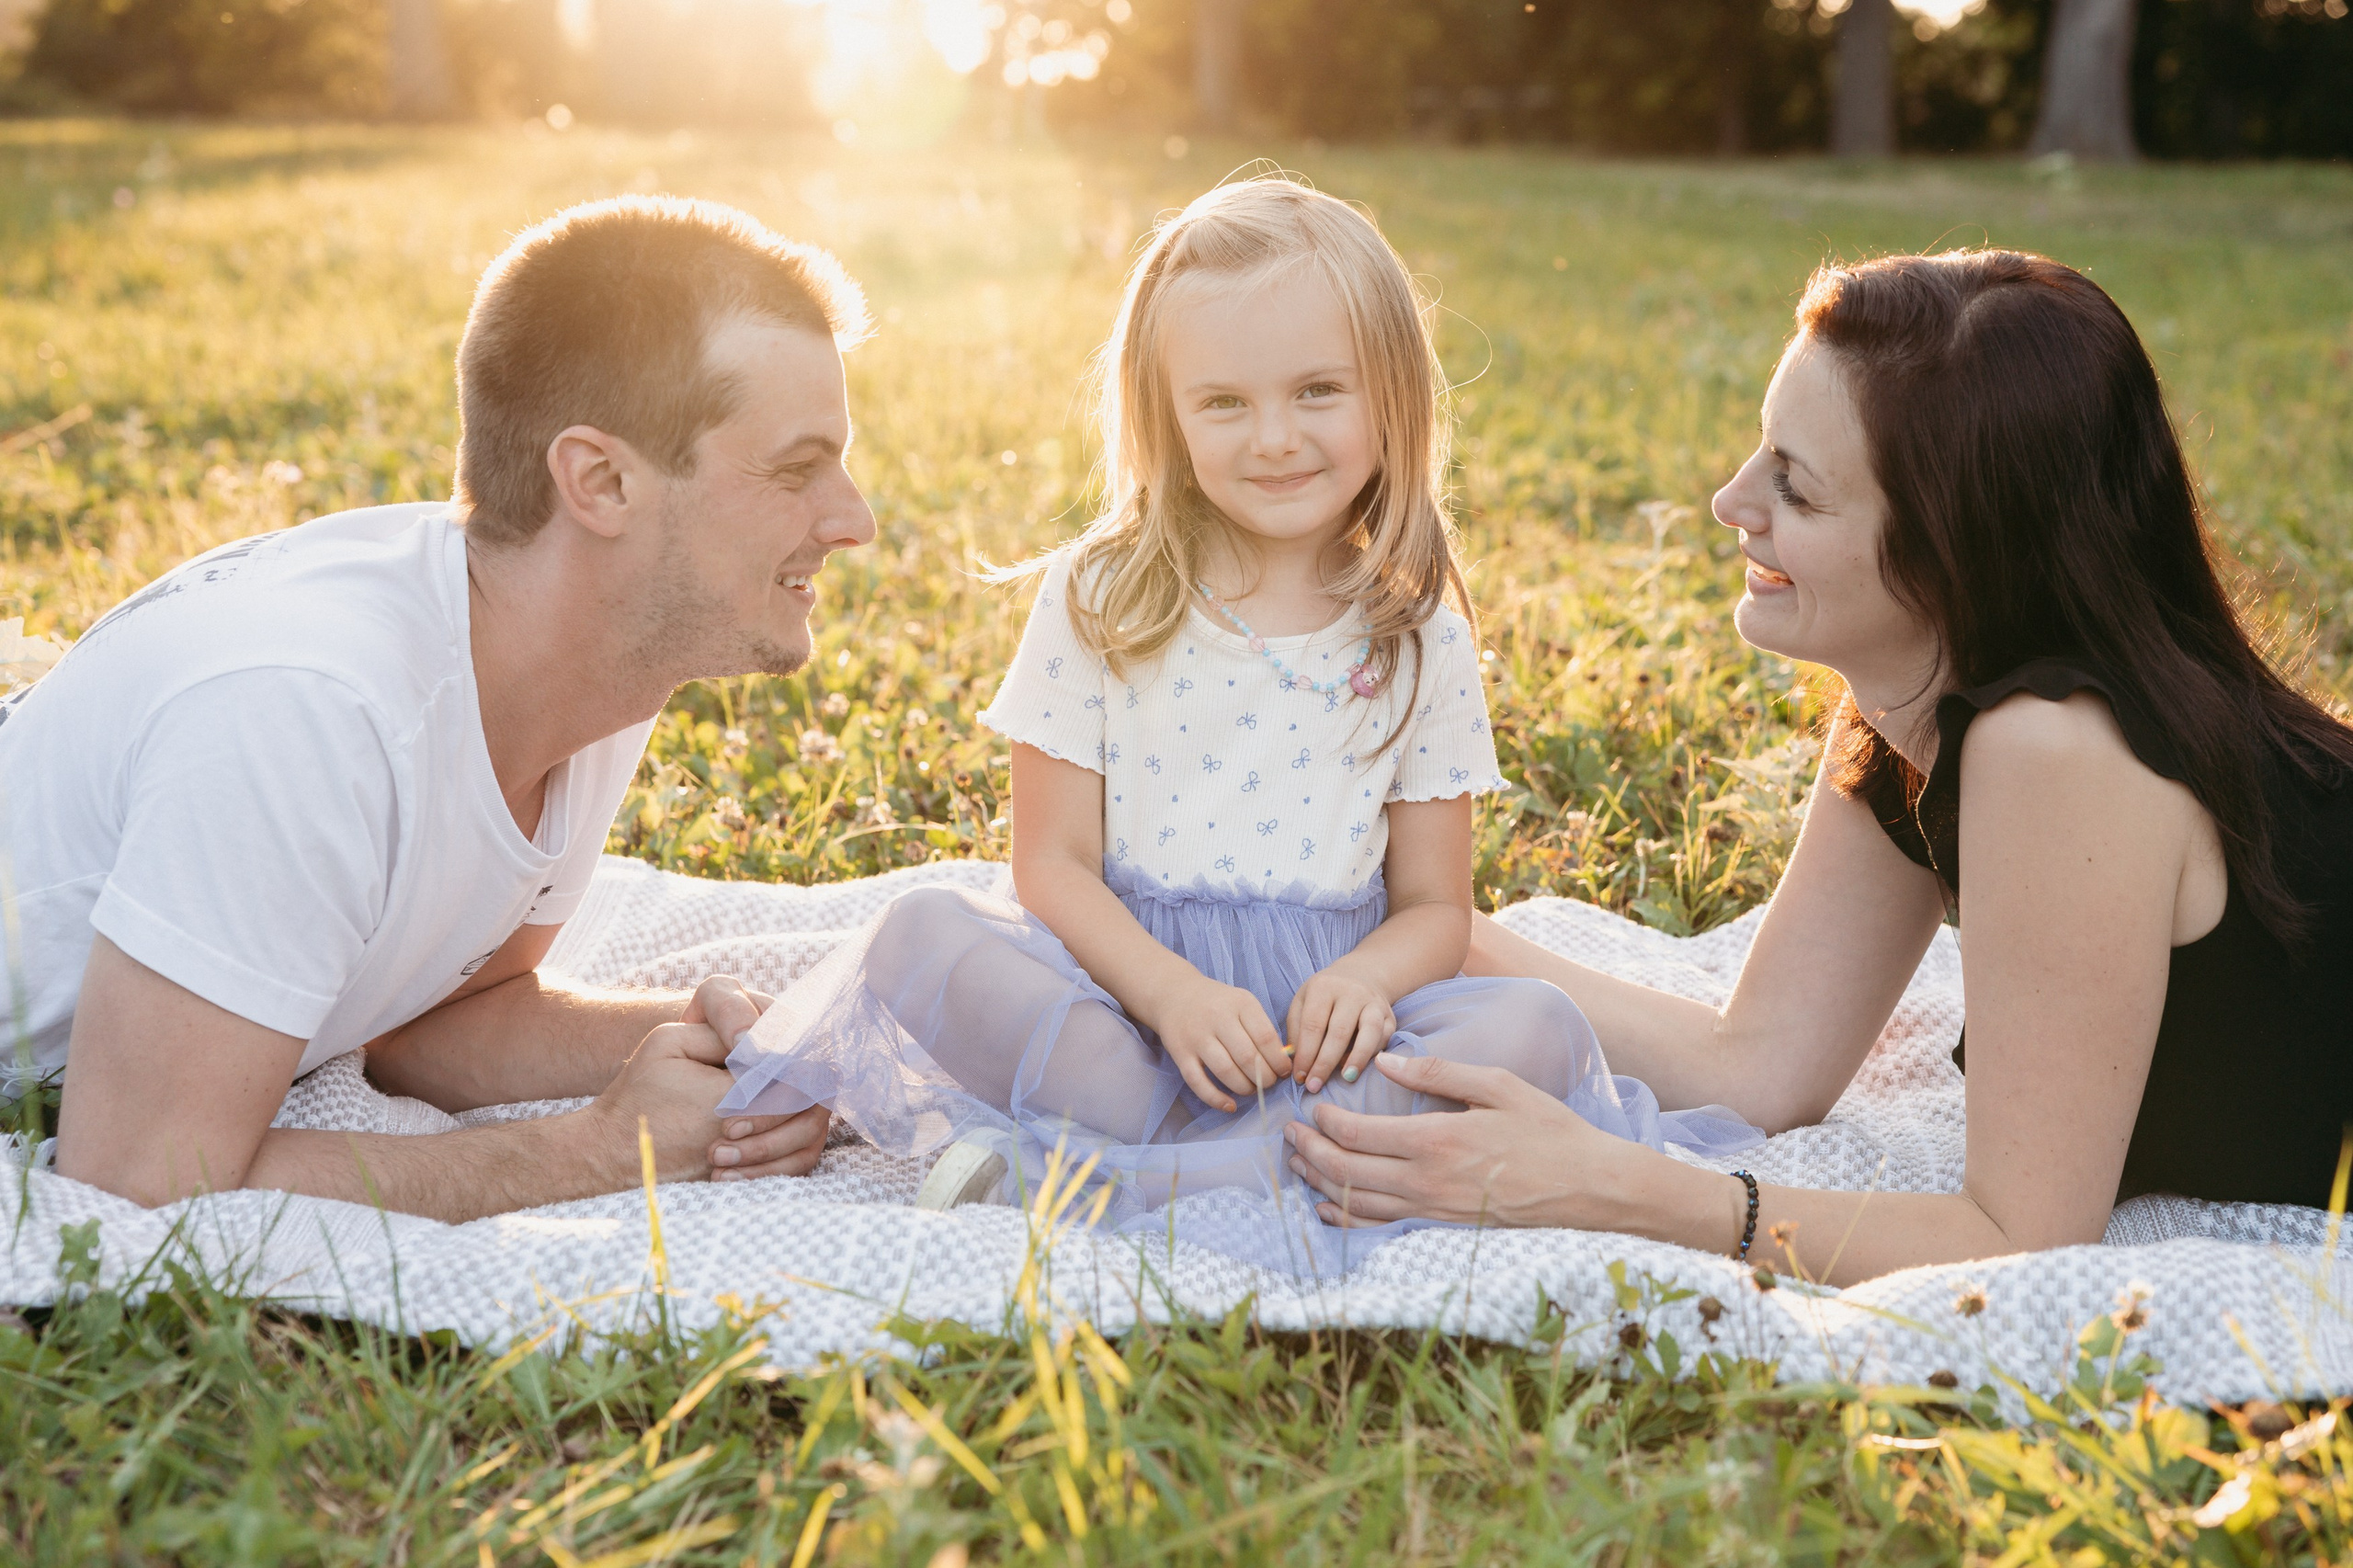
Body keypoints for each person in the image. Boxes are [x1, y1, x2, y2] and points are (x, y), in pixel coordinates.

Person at [718, 176, 1758, 1272]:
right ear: (1165, 410)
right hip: (1123, 1007)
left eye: (1317, 390)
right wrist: (1168, 993)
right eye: (1223, 403)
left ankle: (1114, 1186)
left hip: (1318, 1043)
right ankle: (1232, 1168)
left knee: (1535, 1030)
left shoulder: (1416, 632)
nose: (1273, 438)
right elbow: (1051, 864)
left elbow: (1434, 909)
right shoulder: (1100, 595)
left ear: (1391, 395)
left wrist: (1366, 983)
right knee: (916, 929)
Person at [1283, 248, 2353, 1284]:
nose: (1730, 501)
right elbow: (1758, 1066)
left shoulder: (2057, 748)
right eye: (1761, 451)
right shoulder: (1914, 697)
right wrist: (1377, 915)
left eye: (1794, 487)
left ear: (1949, 546)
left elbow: (2020, 1238)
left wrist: (1610, 1184)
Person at [2, 196, 873, 1220]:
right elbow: (135, 1173)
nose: (852, 519)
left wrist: (740, 1050)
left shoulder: (595, 657)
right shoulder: (310, 712)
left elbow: (433, 1018)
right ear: (599, 481)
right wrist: (599, 1147)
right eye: (797, 468)